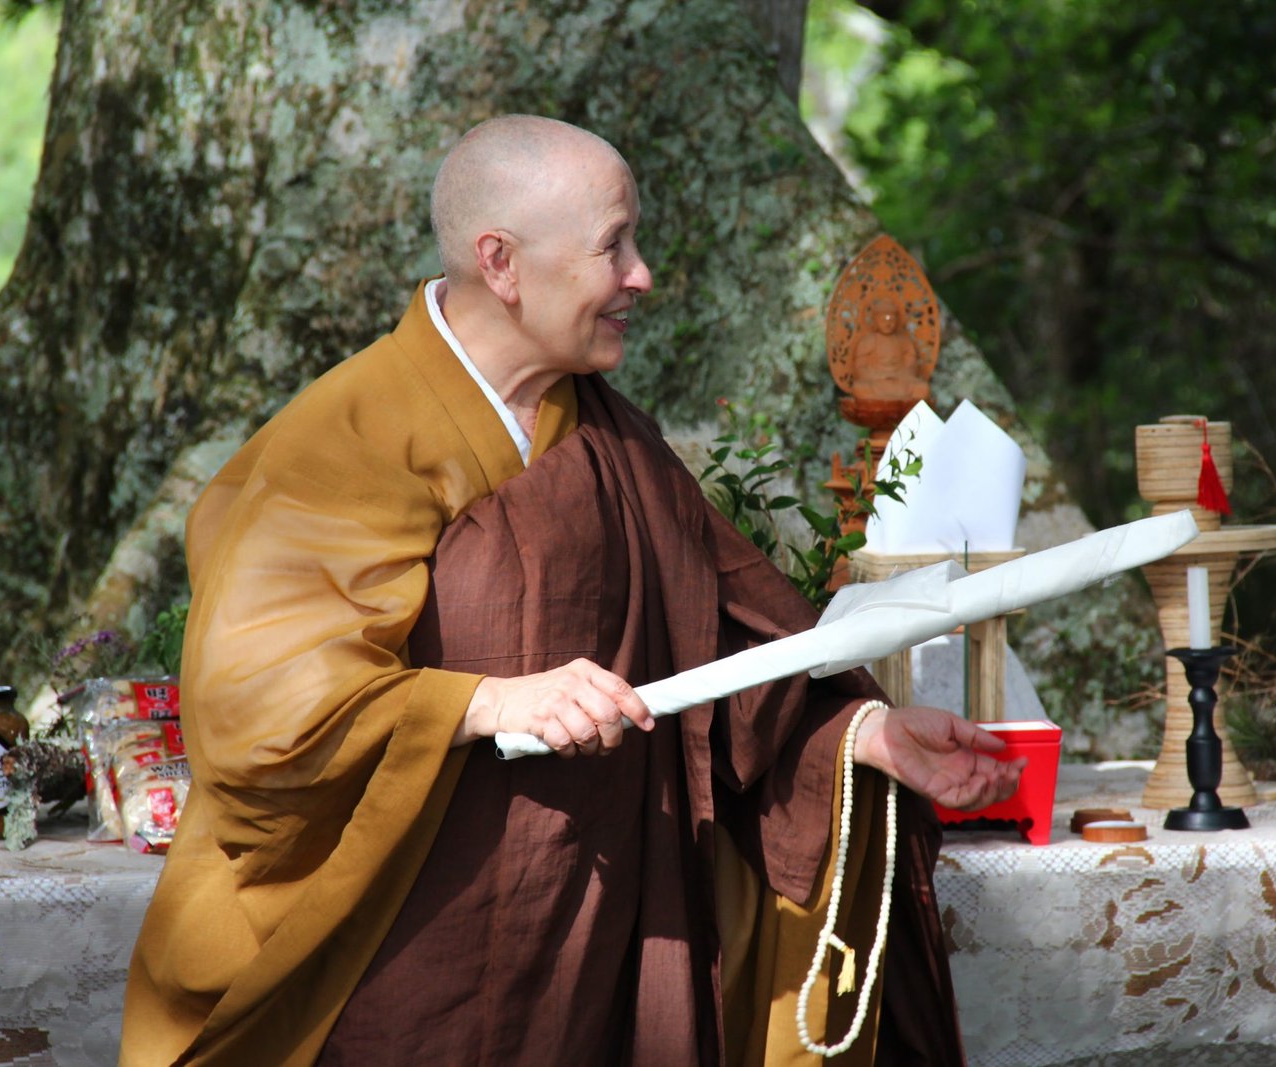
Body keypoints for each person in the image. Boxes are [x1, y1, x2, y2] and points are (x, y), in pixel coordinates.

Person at [120, 114, 1023, 1067]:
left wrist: (859, 736)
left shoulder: (608, 438)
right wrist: (486, 701)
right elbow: (258, 712)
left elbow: (718, 637)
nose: (642, 275)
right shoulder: (343, 440)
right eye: (613, 246)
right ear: (501, 263)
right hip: (395, 955)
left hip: (592, 937)